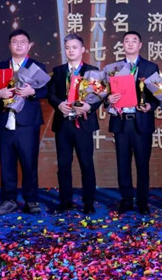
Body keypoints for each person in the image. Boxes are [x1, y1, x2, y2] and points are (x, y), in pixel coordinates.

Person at [0, 29, 47, 215]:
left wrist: (32, 92)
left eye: (23, 42)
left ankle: (31, 201)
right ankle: (8, 200)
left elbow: (46, 91)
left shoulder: (37, 66)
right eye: (15, 42)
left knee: (29, 163)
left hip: (27, 123)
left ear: (29, 46)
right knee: (7, 163)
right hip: (4, 121)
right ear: (9, 45)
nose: (19, 45)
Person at [105, 31, 159, 215]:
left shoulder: (150, 67)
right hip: (121, 122)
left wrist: (150, 106)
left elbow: (158, 95)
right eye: (126, 41)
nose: (130, 43)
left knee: (143, 164)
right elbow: (103, 94)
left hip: (141, 121)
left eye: (134, 40)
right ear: (122, 45)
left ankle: (143, 202)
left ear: (140, 45)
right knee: (123, 164)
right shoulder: (113, 68)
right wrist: (109, 98)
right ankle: (126, 200)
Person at [47, 33, 100, 215]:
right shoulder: (58, 71)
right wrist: (58, 104)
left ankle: (88, 202)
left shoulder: (92, 71)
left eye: (74, 47)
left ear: (82, 49)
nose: (71, 51)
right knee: (63, 165)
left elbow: (100, 96)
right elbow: (50, 94)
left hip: (83, 124)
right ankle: (65, 201)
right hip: (63, 124)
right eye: (68, 48)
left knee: (86, 164)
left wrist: (89, 107)